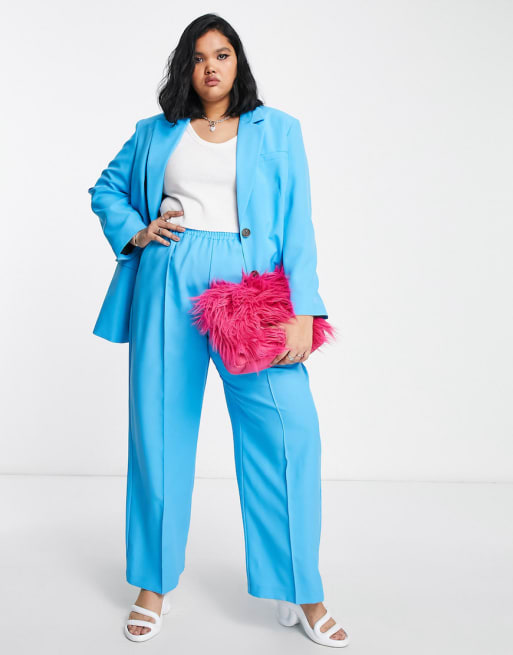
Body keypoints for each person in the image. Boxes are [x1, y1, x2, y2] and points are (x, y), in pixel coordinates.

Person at [88, 13, 349, 648]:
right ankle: (153, 584)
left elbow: (300, 221)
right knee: (159, 431)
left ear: (238, 62)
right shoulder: (155, 132)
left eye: (223, 54)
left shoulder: (278, 130)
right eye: (200, 56)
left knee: (288, 431)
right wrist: (138, 231)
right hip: (168, 277)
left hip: (250, 286)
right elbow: (107, 189)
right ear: (186, 66)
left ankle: (300, 587)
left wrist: (305, 309)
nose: (212, 66)